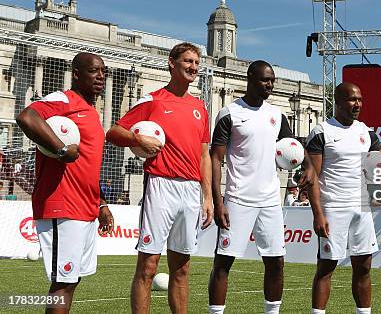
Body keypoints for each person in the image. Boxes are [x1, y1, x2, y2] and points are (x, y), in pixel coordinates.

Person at [106, 42, 213, 314]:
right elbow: (114, 132)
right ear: (171, 63)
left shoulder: (200, 107)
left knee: (182, 268)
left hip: (191, 190)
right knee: (148, 265)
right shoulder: (152, 100)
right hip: (160, 184)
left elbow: (204, 156)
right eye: (188, 61)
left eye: (196, 63)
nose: (193, 67)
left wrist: (208, 196)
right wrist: (137, 138)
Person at [208, 60, 313, 314]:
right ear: (250, 78)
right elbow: (215, 158)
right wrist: (218, 200)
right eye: (265, 79)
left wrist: (308, 165)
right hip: (237, 199)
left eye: (272, 80)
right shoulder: (229, 113)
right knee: (223, 263)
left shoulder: (276, 115)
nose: (270, 84)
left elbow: (293, 146)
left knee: (276, 262)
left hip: (269, 201)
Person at [16, 52, 114, 313]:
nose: (101, 77)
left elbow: (88, 166)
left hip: (85, 207)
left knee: (72, 281)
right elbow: (26, 117)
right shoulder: (62, 99)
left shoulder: (91, 112)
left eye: (103, 72)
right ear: (76, 74)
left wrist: (101, 203)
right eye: (94, 71)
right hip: (62, 204)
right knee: (62, 282)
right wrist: (60, 149)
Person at [306, 82, 381, 314]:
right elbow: (311, 177)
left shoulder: (365, 132)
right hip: (333, 208)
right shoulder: (322, 131)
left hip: (362, 208)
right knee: (326, 267)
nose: (358, 104)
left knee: (364, 267)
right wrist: (318, 214)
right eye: (352, 99)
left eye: (360, 100)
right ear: (338, 101)